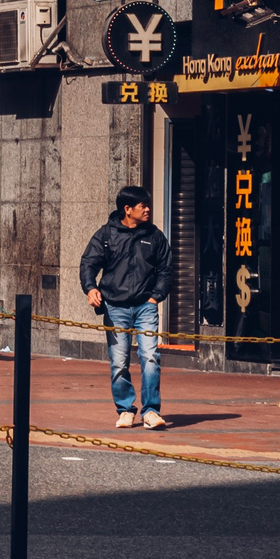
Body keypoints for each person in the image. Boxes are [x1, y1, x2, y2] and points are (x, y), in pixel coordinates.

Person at [79, 184, 173, 430]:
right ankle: (125, 409)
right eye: (143, 206)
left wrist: (155, 297)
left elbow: (166, 269)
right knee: (119, 362)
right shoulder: (107, 235)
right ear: (127, 209)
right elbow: (89, 263)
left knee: (150, 357)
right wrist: (90, 288)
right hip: (115, 308)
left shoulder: (154, 236)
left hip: (145, 306)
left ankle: (151, 411)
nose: (148, 209)